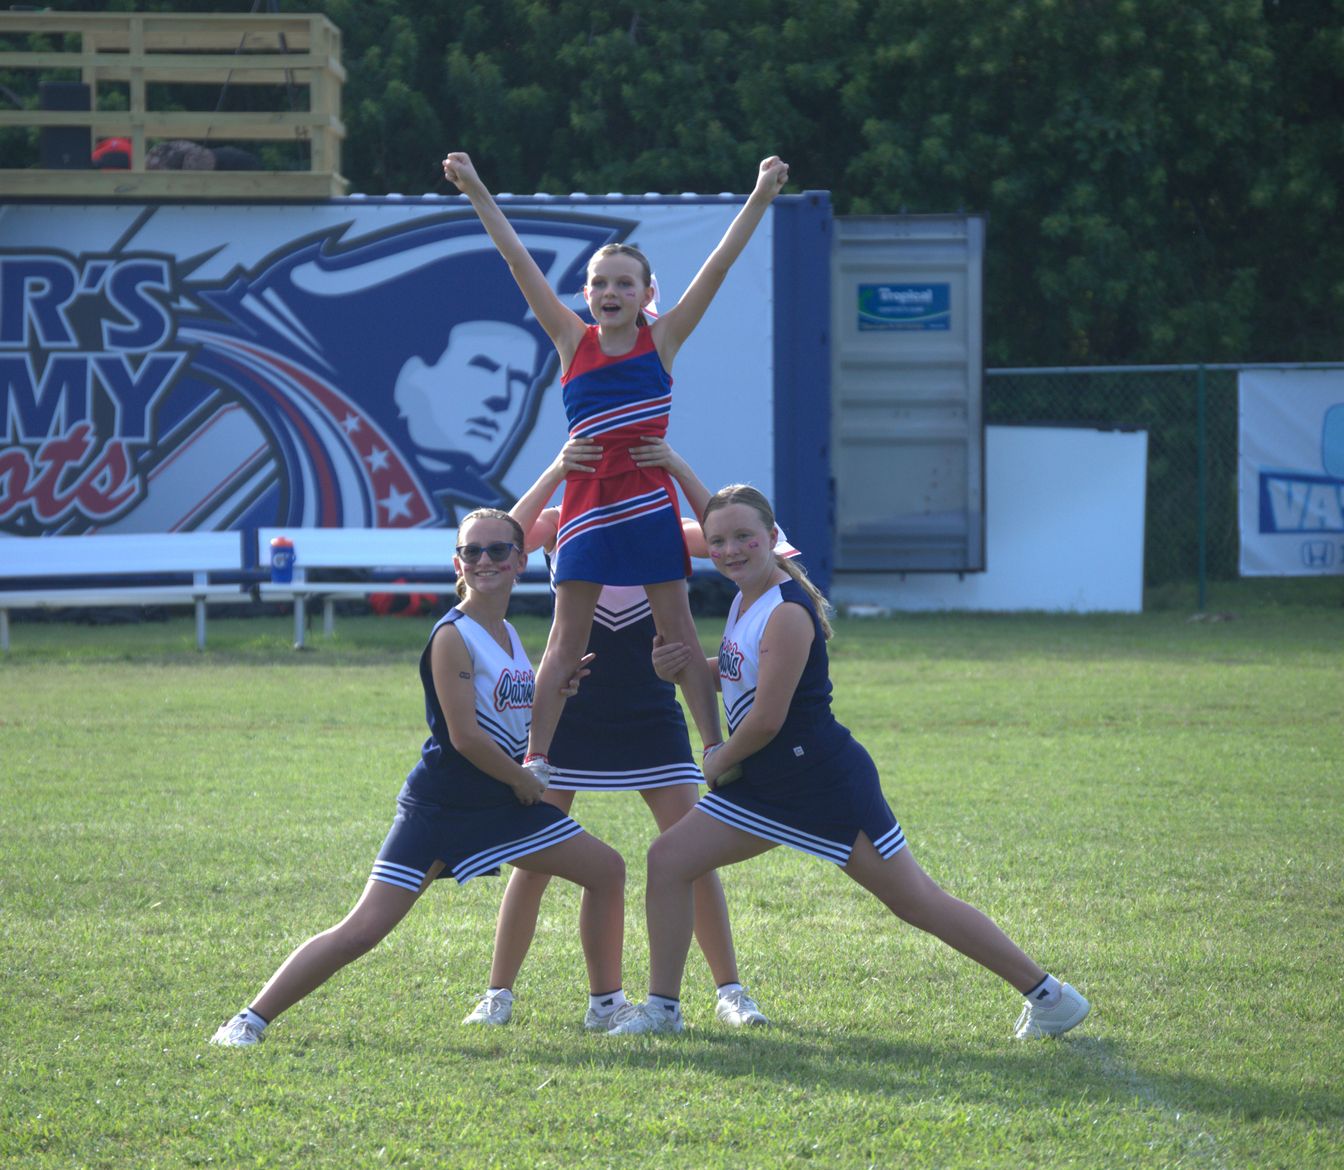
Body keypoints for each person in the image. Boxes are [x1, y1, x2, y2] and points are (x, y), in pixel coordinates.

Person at [609, 485, 1091, 1038]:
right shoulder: (748, 598)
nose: (729, 549)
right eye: (717, 540)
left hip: (819, 783)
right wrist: (686, 667)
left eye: (744, 537)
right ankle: (663, 1010)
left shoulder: (787, 611)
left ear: (773, 538)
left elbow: (766, 718)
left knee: (916, 901)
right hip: (773, 779)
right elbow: (746, 670)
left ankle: (1049, 995)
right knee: (669, 859)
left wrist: (716, 761)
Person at [209, 508, 627, 1046]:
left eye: (498, 550)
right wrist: (524, 781)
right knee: (363, 930)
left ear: (521, 561)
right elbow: (465, 738)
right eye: (472, 551)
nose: (484, 560)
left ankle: (606, 1006)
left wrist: (556, 699)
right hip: (443, 807)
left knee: (606, 869)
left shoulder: (506, 633)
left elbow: (510, 723)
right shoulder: (454, 634)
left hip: (499, 803)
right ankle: (249, 1019)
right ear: (457, 562)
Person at [440, 150, 789, 791]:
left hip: (650, 502)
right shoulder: (573, 341)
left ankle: (714, 749)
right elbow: (518, 260)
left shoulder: (665, 340)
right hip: (587, 505)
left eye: (626, 283)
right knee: (564, 639)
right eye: (600, 283)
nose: (611, 293)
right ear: (586, 293)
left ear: (648, 294)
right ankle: (537, 757)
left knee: (680, 632)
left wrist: (761, 195)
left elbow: (718, 266)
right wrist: (477, 189)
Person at [461, 439, 768, 1030]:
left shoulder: (664, 527)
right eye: (598, 455)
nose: (612, 467)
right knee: (534, 858)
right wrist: (556, 470)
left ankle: (730, 990)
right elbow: (506, 538)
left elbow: (738, 540)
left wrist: (677, 466)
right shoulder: (563, 522)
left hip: (651, 708)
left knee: (690, 854)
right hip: (568, 712)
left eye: (626, 454)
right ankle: (498, 992)